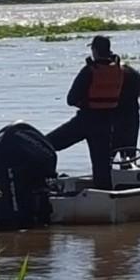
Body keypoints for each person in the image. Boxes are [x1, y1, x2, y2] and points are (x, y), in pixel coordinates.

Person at [45, 35, 126, 190]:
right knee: (101, 165)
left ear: (94, 50)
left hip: (86, 120)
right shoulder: (119, 70)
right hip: (107, 123)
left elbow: (71, 99)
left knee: (46, 145)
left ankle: (44, 179)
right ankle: (105, 195)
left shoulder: (89, 71)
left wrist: (85, 103)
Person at [111, 57, 140, 164]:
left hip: (112, 119)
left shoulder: (106, 75)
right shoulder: (132, 73)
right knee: (130, 156)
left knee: (108, 157)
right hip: (131, 119)